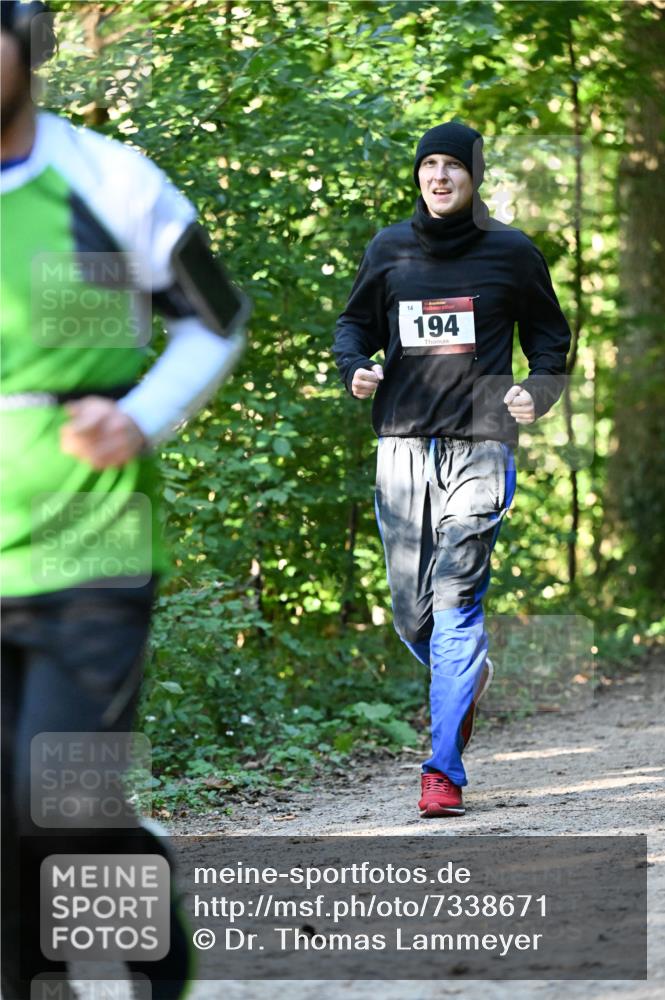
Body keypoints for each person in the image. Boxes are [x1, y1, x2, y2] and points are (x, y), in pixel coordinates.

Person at [0, 3, 249, 996]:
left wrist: (140, 416)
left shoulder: (108, 182)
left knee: (54, 800)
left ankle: (150, 931)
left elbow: (213, 318)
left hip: (87, 545)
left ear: (26, 37)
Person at [333, 120, 571, 818]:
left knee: (456, 599)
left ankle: (442, 769)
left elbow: (550, 340)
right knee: (412, 613)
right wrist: (355, 367)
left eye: (452, 166)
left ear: (474, 175)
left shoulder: (511, 252)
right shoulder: (389, 249)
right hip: (402, 443)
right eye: (428, 165)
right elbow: (353, 326)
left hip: (481, 440)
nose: (438, 177)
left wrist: (538, 389)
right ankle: (467, 678)